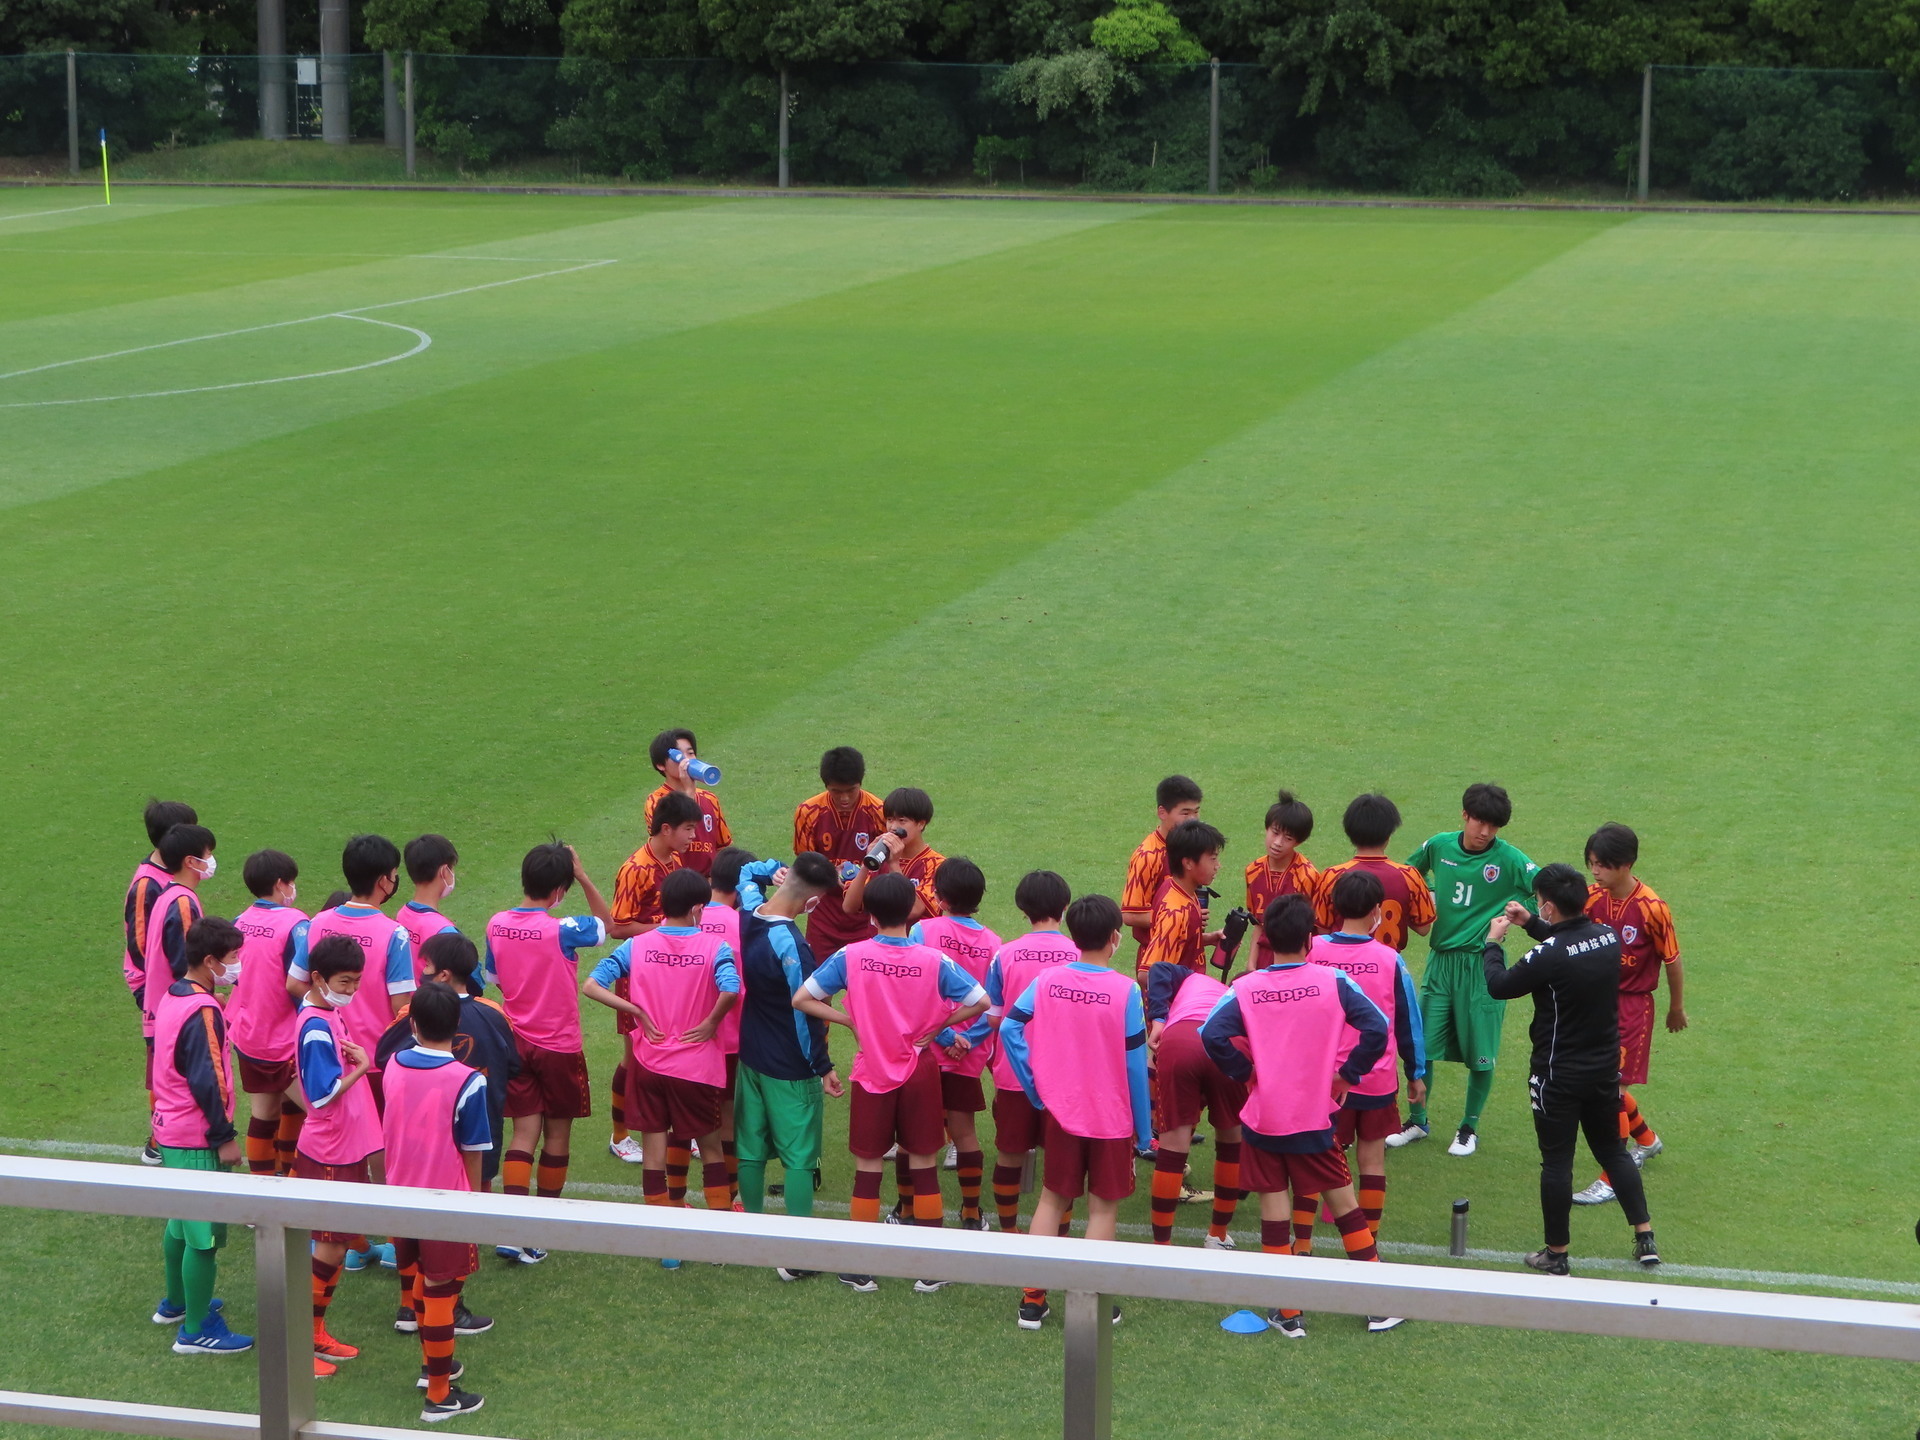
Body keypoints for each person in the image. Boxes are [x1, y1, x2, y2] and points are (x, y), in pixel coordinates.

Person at [1200, 894, 1400, 1337]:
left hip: (1263, 1117)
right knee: (1344, 1204)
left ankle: (1288, 1313)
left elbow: (1211, 1033)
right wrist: (1348, 1075)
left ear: (1267, 939)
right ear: (1311, 937)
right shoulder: (1334, 982)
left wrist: (1247, 1073)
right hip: (1313, 1116)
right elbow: (1377, 1027)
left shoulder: (1246, 986)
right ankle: (1380, 1304)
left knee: (1275, 1208)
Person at [793, 872, 988, 1294]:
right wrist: (937, 1024)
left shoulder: (851, 955)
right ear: (911, 908)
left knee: (867, 1165)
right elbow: (982, 1002)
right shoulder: (933, 960)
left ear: (870, 913)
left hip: (872, 1072)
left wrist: (848, 1019)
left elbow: (802, 998)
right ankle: (931, 1267)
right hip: (919, 1070)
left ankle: (858, 1266)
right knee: (922, 1162)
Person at [1484, 864, 1660, 1275]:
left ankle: (1557, 1254)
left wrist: (1494, 943)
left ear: (1548, 905)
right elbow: (1567, 944)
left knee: (1557, 1164)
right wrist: (1533, 923)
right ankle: (1645, 1237)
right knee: (1613, 1152)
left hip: (1556, 1075)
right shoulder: (1607, 937)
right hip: (1603, 1070)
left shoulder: (1550, 954)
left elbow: (1501, 985)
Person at [999, 894, 1151, 1331]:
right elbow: (1135, 1067)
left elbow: (1011, 1026)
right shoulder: (1125, 991)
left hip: (1060, 1112)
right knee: (1102, 1209)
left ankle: (1032, 1301)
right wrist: (1144, 1133)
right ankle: (1088, 1298)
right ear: (1116, 939)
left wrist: (1034, 1085)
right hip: (1111, 1118)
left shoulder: (1047, 981)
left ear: (1074, 934)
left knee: (1052, 1199)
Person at [583, 868, 740, 1258]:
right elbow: (732, 988)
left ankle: (665, 1245)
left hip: (648, 1064)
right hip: (696, 1067)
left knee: (654, 1153)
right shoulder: (714, 947)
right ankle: (720, 1238)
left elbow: (592, 985)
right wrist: (710, 1023)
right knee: (712, 1149)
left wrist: (636, 1010)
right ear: (697, 908)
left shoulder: (638, 945)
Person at [486, 842, 611, 1260]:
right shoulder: (563, 929)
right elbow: (606, 924)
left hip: (514, 1040)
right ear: (559, 889)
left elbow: (493, 976)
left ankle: (511, 1229)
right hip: (558, 1046)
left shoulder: (496, 924)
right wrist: (583, 875)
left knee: (523, 1132)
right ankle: (542, 1229)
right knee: (557, 1133)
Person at [1403, 783, 1539, 1157]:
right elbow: (1406, 874)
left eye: (1494, 827)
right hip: (1441, 963)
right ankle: (1417, 1120)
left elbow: (1544, 889)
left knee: (1482, 1051)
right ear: (1465, 815)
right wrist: (1427, 895)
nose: (1486, 833)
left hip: (1482, 966)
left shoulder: (1509, 858)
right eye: (1480, 823)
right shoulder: (1439, 846)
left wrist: (1519, 911)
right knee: (1422, 1045)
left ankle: (1469, 1128)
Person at [382, 982, 493, 1423]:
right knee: (442, 1293)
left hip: (398, 1196)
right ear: (458, 1026)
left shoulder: (392, 1064)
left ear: (412, 1024)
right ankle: (441, 1396)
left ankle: (432, 1369)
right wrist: (478, 1202)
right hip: (446, 1202)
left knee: (419, 1286)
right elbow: (474, 1149)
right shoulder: (468, 1080)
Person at [731, 852, 843, 1270]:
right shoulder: (793, 945)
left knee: (750, 1146)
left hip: (751, 1053)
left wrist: (772, 868)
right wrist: (822, 1065)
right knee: (799, 1155)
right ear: (812, 898)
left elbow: (745, 872)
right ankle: (797, 1253)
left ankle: (750, 1236)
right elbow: (805, 1010)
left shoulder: (749, 909)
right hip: (790, 1064)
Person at [1568, 823, 1685, 1206]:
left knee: (1610, 1092)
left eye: (1602, 865)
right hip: (1595, 1003)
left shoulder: (1652, 907)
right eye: (1591, 864)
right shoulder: (1590, 898)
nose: (1595, 872)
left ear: (1626, 865)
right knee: (1600, 1083)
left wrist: (1676, 1008)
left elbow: (1672, 960)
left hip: (1632, 1007)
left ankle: (1611, 1177)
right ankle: (1647, 1142)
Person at [151, 915, 251, 1356]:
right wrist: (224, 1136)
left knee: (179, 1221)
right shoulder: (205, 1010)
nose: (237, 966)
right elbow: (209, 1079)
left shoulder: (174, 995)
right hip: (195, 1138)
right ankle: (195, 1330)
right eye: (232, 959)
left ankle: (176, 1302)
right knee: (203, 1236)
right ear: (210, 961)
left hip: (170, 1129)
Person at [1308, 869, 1427, 1239]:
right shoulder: (1390, 959)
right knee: (1372, 1159)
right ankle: (1367, 1240)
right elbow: (1408, 1020)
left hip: (1325, 1079)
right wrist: (1416, 1072)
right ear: (1377, 911)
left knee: (1318, 1153)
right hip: (1375, 1078)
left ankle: (1302, 1244)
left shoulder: (1313, 950)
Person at [293, 935, 385, 1371]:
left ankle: (313, 1333)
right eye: (345, 982)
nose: (350, 990)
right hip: (331, 1150)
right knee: (328, 1249)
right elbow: (323, 1093)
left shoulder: (325, 1013)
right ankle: (302, 1340)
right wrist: (363, 1067)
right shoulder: (315, 1027)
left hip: (342, 1147)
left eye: (355, 982)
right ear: (318, 977)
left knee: (334, 1245)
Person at [375, 931, 519, 1194]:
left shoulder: (413, 1011)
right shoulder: (494, 1013)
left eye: (427, 965)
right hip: (482, 1133)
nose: (423, 971)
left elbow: (383, 1057)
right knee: (475, 1201)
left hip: (420, 1148)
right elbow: (512, 1066)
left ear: (443, 975)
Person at [983, 871, 1079, 1233]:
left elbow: (994, 1019)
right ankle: (1059, 1235)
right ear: (1065, 907)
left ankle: (1009, 1233)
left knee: (1009, 1153)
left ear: (1022, 909)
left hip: (1013, 1075)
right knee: (1061, 1159)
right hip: (1064, 1079)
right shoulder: (1078, 954)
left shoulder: (1003, 955)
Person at [606, 790, 700, 1161]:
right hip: (637, 976)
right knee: (634, 1059)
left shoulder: (674, 860)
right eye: (689, 829)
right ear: (666, 829)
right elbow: (617, 927)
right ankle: (619, 1135)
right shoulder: (636, 870)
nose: (694, 837)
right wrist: (666, 930)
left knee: (673, 1051)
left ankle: (680, 1131)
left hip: (669, 973)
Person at [294, 835, 417, 1113]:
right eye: (395, 875)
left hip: (325, 1050)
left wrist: (329, 1010)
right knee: (376, 1143)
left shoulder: (317, 923)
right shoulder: (393, 934)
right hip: (374, 1060)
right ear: (384, 881)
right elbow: (401, 1006)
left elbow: (294, 982)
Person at [908, 857, 1000, 1227]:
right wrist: (967, 1039)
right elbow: (993, 1001)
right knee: (964, 1132)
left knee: (917, 1133)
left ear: (938, 896)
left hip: (926, 1049)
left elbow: (917, 991)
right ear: (978, 898)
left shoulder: (922, 931)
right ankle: (972, 1213)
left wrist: (945, 1035)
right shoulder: (994, 942)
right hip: (969, 1053)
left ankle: (912, 1211)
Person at [1142, 958, 1243, 1248]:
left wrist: (1159, 1019)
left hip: (1180, 1040)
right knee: (1230, 1143)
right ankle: (1218, 1235)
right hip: (1229, 1042)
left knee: (1173, 1148)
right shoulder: (1247, 995)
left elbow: (1158, 970)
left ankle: (1162, 1246)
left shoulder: (1195, 980)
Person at [229, 849, 309, 1177]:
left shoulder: (238, 922)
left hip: (248, 1037)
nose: (293, 888)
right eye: (291, 882)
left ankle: (260, 1199)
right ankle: (294, 1183)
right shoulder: (296, 924)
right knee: (324, 1117)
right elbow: (299, 984)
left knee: (264, 1115)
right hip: (285, 1041)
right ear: (280, 884)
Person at [127, 799, 197, 1164]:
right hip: (158, 989)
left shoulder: (168, 879)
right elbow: (141, 945)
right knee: (163, 1062)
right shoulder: (146, 885)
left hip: (171, 987)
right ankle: (159, 1140)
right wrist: (161, 986)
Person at [791, 745, 887, 963]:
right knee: (818, 985)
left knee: (864, 983)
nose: (844, 798)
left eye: (851, 790)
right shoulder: (807, 812)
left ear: (860, 783)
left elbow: (887, 864)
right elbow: (805, 864)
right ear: (826, 786)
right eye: (836, 791)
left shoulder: (879, 811)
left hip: (865, 913)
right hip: (824, 912)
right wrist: (830, 875)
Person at [702, 847, 756, 1205]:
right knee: (728, 1115)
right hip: (733, 1036)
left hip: (686, 1036)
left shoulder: (685, 916)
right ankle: (730, 1196)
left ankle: (674, 1202)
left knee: (686, 1121)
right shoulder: (746, 925)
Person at [141, 823, 216, 1076]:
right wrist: (208, 998)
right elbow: (185, 964)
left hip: (163, 1011)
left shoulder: (168, 894)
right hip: (179, 1015)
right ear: (190, 861)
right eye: (207, 854)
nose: (211, 860)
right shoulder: (182, 902)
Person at [1120, 775, 1204, 962]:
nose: (1193, 820)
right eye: (1185, 813)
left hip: (1189, 955)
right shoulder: (1148, 856)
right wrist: (1185, 915)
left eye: (1196, 812)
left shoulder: (1191, 848)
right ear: (1162, 812)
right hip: (1157, 960)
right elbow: (1130, 914)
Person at [1137, 819, 1226, 978]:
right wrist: (1185, 992)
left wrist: (1207, 938)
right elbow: (1147, 974)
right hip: (1179, 1001)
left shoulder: (1175, 886)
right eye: (1213, 859)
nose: (1218, 865)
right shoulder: (1176, 913)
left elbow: (1178, 941)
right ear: (1188, 863)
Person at [843, 786, 944, 922]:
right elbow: (849, 907)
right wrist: (867, 863)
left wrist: (894, 864)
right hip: (879, 942)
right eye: (890, 819)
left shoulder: (937, 864)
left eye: (902, 821)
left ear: (920, 824)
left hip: (915, 942)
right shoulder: (879, 858)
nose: (893, 827)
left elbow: (914, 910)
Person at [1244, 791, 1319, 971]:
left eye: (1288, 838)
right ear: (1266, 828)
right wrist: (1251, 964)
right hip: (1263, 959)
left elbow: (1312, 931)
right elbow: (1258, 924)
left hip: (1295, 960)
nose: (1277, 842)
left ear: (1298, 842)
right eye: (1275, 832)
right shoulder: (1252, 871)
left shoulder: (1308, 876)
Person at [643, 728, 733, 876]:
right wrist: (689, 791)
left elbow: (723, 847)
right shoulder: (656, 801)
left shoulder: (710, 799)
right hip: (679, 885)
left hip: (711, 886)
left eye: (690, 753)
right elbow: (666, 841)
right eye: (679, 755)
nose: (686, 761)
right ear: (661, 765)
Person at [398, 835, 461, 981]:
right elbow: (469, 983)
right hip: (435, 1003)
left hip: (410, 1003)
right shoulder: (445, 932)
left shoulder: (402, 914)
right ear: (444, 871)